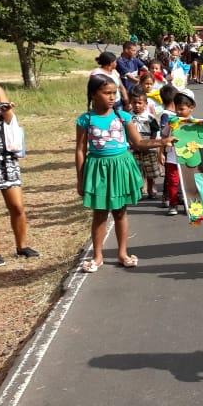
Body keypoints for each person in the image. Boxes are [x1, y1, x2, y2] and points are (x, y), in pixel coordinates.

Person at [76, 75, 175, 270]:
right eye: (107, 93)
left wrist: (161, 142)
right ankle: (97, 256)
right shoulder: (85, 119)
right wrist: (80, 179)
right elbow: (80, 150)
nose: (112, 97)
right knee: (100, 213)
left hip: (121, 166)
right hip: (98, 168)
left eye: (114, 93)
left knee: (121, 212)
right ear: (93, 94)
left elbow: (138, 142)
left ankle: (122, 253)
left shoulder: (123, 116)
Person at [0, 79, 37, 267]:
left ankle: (21, 246)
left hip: (4, 153)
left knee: (16, 205)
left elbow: (9, 119)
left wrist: (7, 110)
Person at [163, 89, 195, 215]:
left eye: (182, 109)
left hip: (189, 158)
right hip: (172, 157)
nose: (178, 112)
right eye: (177, 108)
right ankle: (173, 204)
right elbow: (164, 137)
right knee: (173, 182)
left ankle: (191, 205)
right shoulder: (172, 122)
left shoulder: (196, 123)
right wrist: (161, 152)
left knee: (189, 182)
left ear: (191, 107)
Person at [127, 86, 162, 201]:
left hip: (148, 148)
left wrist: (150, 144)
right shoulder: (127, 117)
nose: (137, 105)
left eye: (139, 103)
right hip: (133, 149)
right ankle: (140, 189)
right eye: (134, 103)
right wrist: (131, 144)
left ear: (145, 104)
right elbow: (126, 132)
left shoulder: (149, 117)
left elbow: (154, 131)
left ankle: (151, 188)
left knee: (150, 171)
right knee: (137, 171)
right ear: (130, 103)